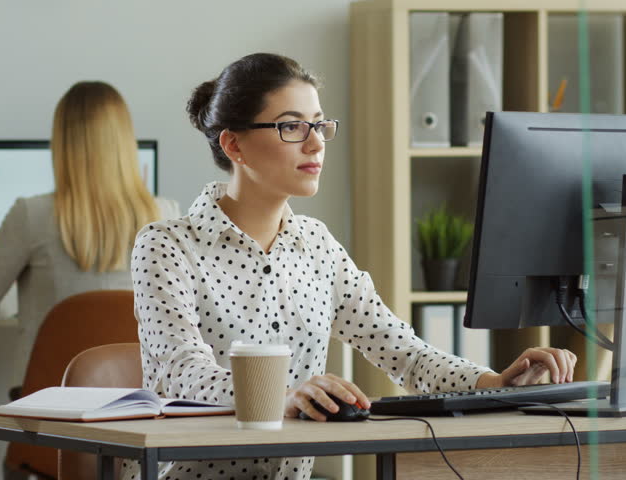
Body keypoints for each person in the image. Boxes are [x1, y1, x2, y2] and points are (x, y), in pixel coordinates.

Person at [127, 53, 576, 480]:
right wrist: (279, 398)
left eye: (319, 125)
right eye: (291, 127)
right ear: (234, 144)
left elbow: (404, 353)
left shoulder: (317, 245)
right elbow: (181, 371)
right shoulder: (167, 246)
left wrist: (493, 382)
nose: (316, 143)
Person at [0, 81, 180, 388]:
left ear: (61, 144)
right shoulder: (165, 214)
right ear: (126, 143)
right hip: (138, 401)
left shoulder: (31, 214)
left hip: (47, 402)